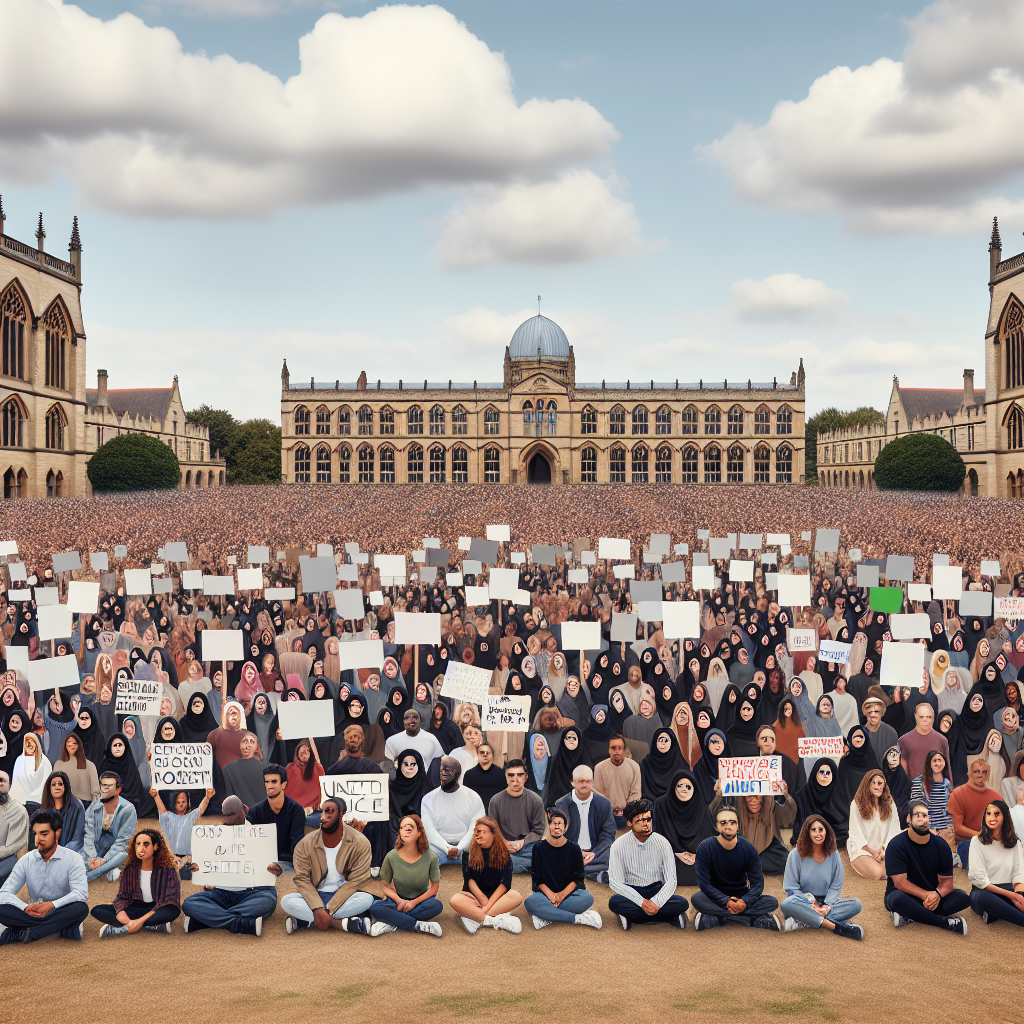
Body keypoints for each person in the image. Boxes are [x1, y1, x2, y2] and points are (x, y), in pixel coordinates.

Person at [181, 795, 281, 936]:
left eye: (233, 815)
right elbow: (207, 866)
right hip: (221, 893)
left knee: (268, 902)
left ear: (244, 810)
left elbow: (273, 866)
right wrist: (197, 868)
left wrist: (275, 868)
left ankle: (203, 921)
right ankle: (241, 924)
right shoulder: (214, 835)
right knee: (189, 904)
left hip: (253, 892)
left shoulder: (260, 835)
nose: (229, 819)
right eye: (226, 815)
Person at [280, 797, 380, 932]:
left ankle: (307, 921)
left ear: (342, 814)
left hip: (345, 895)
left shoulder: (360, 842)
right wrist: (317, 907)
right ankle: (342, 923)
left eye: (329, 812)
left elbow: (357, 881)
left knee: (366, 899)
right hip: (316, 894)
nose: (323, 817)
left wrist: (327, 909)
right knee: (287, 901)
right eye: (322, 812)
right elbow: (302, 879)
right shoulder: (305, 844)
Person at [0, 808, 89, 944]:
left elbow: (80, 893)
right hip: (32, 913)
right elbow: (4, 893)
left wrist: (52, 905)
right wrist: (25, 907)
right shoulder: (27, 859)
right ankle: (60, 927)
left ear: (57, 833)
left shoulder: (73, 858)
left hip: (59, 910)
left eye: (44, 834)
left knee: (81, 908)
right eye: (35, 834)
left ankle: (27, 933)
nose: (37, 840)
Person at [884, 799, 970, 934]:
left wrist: (937, 894)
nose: (922, 820)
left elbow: (947, 883)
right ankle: (943, 922)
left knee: (962, 897)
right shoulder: (895, 845)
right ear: (909, 819)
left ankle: (910, 915)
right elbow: (900, 883)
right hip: (905, 895)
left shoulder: (941, 845)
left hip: (933, 896)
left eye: (925, 816)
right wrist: (925, 895)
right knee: (894, 900)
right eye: (917, 815)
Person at [693, 804, 781, 931]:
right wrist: (725, 901)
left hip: (742, 897)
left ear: (738, 825)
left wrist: (745, 901)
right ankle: (749, 918)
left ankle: (716, 917)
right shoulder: (705, 848)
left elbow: (758, 884)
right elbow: (704, 884)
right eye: (723, 823)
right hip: (715, 898)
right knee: (697, 899)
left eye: (732, 822)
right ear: (716, 826)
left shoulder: (748, 849)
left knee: (772, 902)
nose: (728, 826)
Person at [352, 814, 443, 936]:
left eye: (410, 828)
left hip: (420, 902)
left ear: (419, 833)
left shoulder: (431, 857)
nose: (406, 830)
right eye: (402, 828)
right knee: (375, 907)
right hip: (395, 901)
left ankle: (392, 921)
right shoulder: (391, 856)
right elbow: (384, 885)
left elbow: (434, 888)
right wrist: (399, 901)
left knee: (436, 905)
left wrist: (413, 902)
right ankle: (417, 925)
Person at [608, 798, 689, 930]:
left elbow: (671, 881)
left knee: (682, 903)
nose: (646, 824)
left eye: (648, 819)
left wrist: (657, 902)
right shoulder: (618, 845)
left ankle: (633, 917)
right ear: (629, 822)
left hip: (656, 888)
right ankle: (668, 917)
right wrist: (642, 902)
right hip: (633, 891)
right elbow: (615, 882)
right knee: (614, 902)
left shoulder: (663, 842)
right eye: (640, 820)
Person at [781, 815, 863, 939]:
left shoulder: (834, 854)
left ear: (826, 832)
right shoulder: (795, 854)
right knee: (787, 904)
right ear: (807, 833)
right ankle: (835, 926)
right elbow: (791, 887)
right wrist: (811, 904)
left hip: (827, 903)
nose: (817, 833)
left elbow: (836, 884)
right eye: (813, 830)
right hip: (803, 901)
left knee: (856, 904)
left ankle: (805, 920)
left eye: (821, 829)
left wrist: (827, 906)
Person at [92, 827, 182, 937]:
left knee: (173, 910)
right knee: (98, 910)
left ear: (156, 846)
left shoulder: (168, 871)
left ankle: (124, 928)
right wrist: (127, 920)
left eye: (146, 844)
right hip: (134, 908)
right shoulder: (130, 869)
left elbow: (169, 900)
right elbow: (122, 898)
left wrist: (140, 920)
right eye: (138, 844)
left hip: (156, 909)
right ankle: (150, 926)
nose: (141, 849)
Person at [525, 807, 602, 929]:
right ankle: (576, 918)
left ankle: (546, 915)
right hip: (545, 895)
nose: (557, 826)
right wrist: (551, 895)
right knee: (530, 902)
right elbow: (537, 878)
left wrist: (561, 895)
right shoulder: (538, 848)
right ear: (549, 825)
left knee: (587, 898)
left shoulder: (574, 848)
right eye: (554, 823)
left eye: (560, 823)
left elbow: (578, 878)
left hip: (570, 894)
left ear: (565, 828)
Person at [449, 816, 524, 933]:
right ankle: (495, 920)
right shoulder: (467, 853)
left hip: (497, 899)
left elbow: (505, 883)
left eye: (482, 832)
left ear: (493, 834)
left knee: (516, 896)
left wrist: (488, 906)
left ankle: (476, 917)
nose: (478, 835)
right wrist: (483, 899)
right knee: (455, 900)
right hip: (475, 897)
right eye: (476, 832)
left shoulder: (504, 853)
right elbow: (470, 880)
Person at [967, 799, 1024, 927]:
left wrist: (1019, 895)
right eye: (988, 814)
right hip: (984, 892)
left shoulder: (1015, 843)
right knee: (985, 898)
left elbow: (1018, 873)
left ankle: (995, 913)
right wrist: (1012, 896)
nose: (992, 818)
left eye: (996, 814)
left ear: (1005, 817)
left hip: (1009, 889)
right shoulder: (977, 841)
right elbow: (980, 880)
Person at [555, 765, 616, 884]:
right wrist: (579, 853)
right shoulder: (561, 804)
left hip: (597, 851)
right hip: (571, 850)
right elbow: (558, 835)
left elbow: (608, 834)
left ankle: (578, 869)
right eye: (581, 781)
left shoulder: (604, 804)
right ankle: (595, 873)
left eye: (588, 781)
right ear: (573, 782)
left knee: (615, 854)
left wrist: (594, 853)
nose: (585, 784)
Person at [419, 756, 485, 866]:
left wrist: (459, 848)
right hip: (437, 848)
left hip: (468, 847)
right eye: (441, 770)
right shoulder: (428, 799)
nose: (443, 774)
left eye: (448, 770)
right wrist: (447, 848)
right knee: (418, 852)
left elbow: (476, 826)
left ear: (458, 773)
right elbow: (429, 830)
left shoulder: (473, 797)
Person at [655, 769, 716, 885]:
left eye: (688, 786)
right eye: (680, 785)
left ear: (694, 788)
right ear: (674, 787)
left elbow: (707, 834)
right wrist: (677, 851)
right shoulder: (661, 804)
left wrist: (696, 853)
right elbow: (659, 834)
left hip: (695, 854)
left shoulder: (701, 805)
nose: (684, 789)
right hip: (670, 852)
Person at [488, 758, 546, 874]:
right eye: (511, 775)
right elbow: (493, 829)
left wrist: (522, 842)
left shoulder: (535, 800)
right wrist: (505, 843)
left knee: (547, 852)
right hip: (503, 846)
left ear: (526, 777)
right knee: (488, 854)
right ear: (506, 777)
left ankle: (516, 864)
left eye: (520, 775)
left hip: (527, 845)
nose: (516, 779)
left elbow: (539, 831)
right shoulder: (495, 800)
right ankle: (530, 865)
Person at [245, 763, 306, 872]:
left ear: (284, 784)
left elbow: (297, 844)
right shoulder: (255, 812)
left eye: (274, 782)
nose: (269, 786)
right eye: (267, 782)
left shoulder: (296, 810)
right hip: (261, 860)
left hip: (287, 862)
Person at [81, 771, 137, 883]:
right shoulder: (95, 805)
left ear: (118, 790)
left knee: (122, 855)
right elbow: (89, 833)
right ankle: (106, 867)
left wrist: (103, 860)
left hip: (115, 846)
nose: (104, 789)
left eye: (109, 786)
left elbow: (122, 841)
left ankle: (93, 874)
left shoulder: (128, 809)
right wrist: (92, 857)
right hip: (97, 843)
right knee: (78, 861)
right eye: (103, 785)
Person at [847, 769, 902, 881]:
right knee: (877, 873)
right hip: (864, 849)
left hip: (885, 849)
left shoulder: (889, 803)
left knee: (895, 869)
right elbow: (856, 833)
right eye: (875, 783)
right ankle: (883, 868)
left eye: (881, 783)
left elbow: (894, 829)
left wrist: (885, 850)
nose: (878, 786)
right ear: (868, 784)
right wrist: (872, 851)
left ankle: (885, 867)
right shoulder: (856, 804)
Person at [948, 759, 1003, 870]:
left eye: (984, 772)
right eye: (976, 771)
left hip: (991, 841)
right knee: (967, 848)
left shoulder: (996, 797)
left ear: (988, 775)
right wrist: (980, 836)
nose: (980, 775)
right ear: (970, 773)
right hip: (967, 842)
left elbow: (1001, 824)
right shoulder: (957, 794)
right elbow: (957, 828)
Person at [152, 786, 214, 879]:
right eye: (178, 802)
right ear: (174, 803)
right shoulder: (169, 817)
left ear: (188, 802)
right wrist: (155, 795)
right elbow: (162, 810)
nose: (181, 804)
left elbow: (200, 810)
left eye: (183, 802)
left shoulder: (190, 817)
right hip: (171, 860)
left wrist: (207, 797)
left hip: (187, 860)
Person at [594, 734, 641, 828]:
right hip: (607, 815)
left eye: (620, 748)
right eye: (613, 748)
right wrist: (611, 808)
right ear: (609, 750)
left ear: (625, 750)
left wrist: (625, 810)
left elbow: (636, 794)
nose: (616, 752)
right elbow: (598, 795)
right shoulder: (599, 768)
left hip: (628, 815)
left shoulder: (634, 766)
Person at [898, 703, 949, 783]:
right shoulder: (904, 741)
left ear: (933, 717)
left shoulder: (941, 740)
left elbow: (947, 770)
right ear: (915, 716)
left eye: (928, 717)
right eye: (921, 717)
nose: (925, 720)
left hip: (937, 789)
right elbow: (902, 772)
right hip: (913, 789)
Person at [40, 771, 84, 852]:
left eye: (60, 784)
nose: (57, 787)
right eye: (54, 784)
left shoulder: (77, 806)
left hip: (70, 854)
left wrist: (59, 853)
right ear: (49, 788)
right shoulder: (44, 810)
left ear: (65, 787)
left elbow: (77, 841)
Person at [0, 771, 29, 887]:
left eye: (2, 781)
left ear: (10, 786)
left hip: (9, 859)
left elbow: (12, 847)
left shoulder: (18, 811)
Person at [463, 742, 506, 810]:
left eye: (487, 753)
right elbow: (466, 798)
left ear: (492, 755)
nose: (485, 755)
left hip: (496, 812)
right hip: (475, 812)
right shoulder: (469, 774)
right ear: (477, 754)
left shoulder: (501, 773)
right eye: (482, 752)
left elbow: (505, 797)